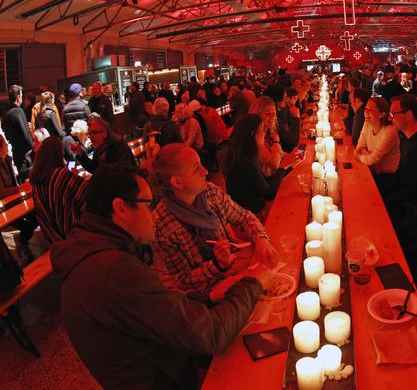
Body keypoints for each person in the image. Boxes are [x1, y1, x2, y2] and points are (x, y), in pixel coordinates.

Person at [51, 164, 271, 389]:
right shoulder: (113, 271)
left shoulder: (93, 250)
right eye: (147, 205)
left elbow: (158, 306)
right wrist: (253, 283)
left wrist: (210, 296)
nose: (153, 216)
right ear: (121, 208)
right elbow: (210, 334)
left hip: (166, 362)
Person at [151, 144, 277, 293]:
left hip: (235, 271)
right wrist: (217, 264)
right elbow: (183, 282)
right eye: (196, 168)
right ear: (177, 182)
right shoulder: (161, 226)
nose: (205, 171)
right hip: (208, 297)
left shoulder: (210, 193)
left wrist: (261, 239)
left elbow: (245, 218)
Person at [225, 114, 298, 219]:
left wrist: (290, 166)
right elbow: (269, 193)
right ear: (252, 134)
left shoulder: (243, 155)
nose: (264, 133)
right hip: (250, 219)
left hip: (254, 212)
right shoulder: (244, 163)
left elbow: (265, 182)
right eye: (262, 130)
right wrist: (283, 167)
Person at [30, 136, 88, 243]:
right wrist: (74, 177)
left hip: (53, 234)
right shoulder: (61, 175)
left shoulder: (36, 179)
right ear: (58, 153)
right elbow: (85, 194)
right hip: (74, 230)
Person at [0, 134, 38, 260]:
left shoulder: (7, 159)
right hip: (4, 207)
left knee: (38, 213)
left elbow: (14, 182)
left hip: (16, 200)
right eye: (5, 143)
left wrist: (22, 189)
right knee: (26, 226)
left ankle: (22, 240)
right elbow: (1, 192)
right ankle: (22, 242)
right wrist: (20, 188)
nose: (7, 145)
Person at [354, 97, 400, 178]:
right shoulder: (367, 123)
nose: (366, 112)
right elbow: (360, 147)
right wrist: (371, 160)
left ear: (382, 114)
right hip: (372, 169)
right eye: (366, 108)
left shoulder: (390, 131)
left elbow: (370, 158)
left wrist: (358, 156)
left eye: (371, 110)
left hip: (387, 176)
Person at [71, 116, 136, 173]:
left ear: (104, 132)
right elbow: (94, 169)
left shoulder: (118, 144)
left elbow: (125, 171)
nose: (90, 137)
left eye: (94, 133)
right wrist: (81, 154)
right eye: (89, 133)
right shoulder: (100, 146)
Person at [249, 96, 284, 176]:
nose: (273, 117)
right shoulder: (255, 136)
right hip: (269, 183)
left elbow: (279, 155)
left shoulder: (269, 133)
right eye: (267, 114)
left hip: (277, 176)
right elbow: (274, 164)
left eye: (274, 113)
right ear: (256, 116)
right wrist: (276, 143)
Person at [3, 84, 33, 170]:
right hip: (24, 157)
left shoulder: (7, 114)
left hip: (14, 156)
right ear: (18, 97)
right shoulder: (18, 112)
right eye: (21, 96)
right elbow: (26, 137)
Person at [264, 83, 300, 153]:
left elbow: (289, 129)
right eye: (285, 97)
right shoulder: (274, 117)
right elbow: (291, 143)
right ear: (277, 99)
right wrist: (296, 118)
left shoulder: (282, 110)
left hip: (283, 154)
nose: (286, 100)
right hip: (283, 155)